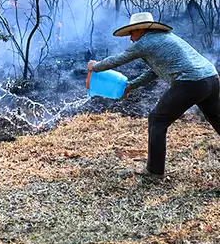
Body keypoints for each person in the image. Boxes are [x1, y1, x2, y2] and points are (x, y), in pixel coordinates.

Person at [88, 12, 220, 178]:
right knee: (217, 119)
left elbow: (119, 59)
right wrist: (131, 86)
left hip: (190, 82)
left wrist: (95, 66)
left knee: (157, 119)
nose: (130, 38)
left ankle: (154, 172)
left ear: (141, 30)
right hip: (211, 78)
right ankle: (154, 170)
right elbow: (153, 72)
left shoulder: (145, 43)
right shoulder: (165, 37)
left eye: (132, 33)